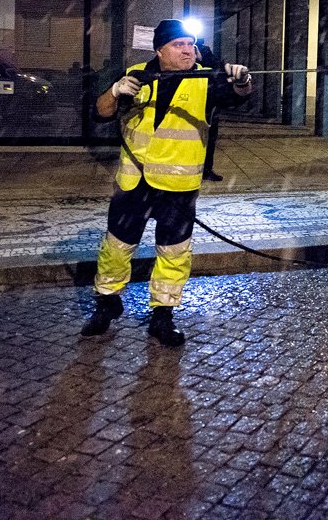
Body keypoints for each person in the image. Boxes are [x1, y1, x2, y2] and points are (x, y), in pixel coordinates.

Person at [81, 19, 252, 346]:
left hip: (178, 186)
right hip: (134, 183)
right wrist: (115, 91)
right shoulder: (136, 75)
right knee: (116, 247)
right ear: (160, 50)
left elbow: (238, 96)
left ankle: (163, 315)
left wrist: (242, 81)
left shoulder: (206, 79)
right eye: (178, 44)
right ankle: (106, 303)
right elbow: (101, 112)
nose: (188, 50)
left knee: (174, 252)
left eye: (190, 44)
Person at [194, 38, 224, 182]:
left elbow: (217, 69)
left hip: (208, 102)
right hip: (191, 100)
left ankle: (206, 169)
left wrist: (201, 58)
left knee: (210, 138)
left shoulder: (205, 52)